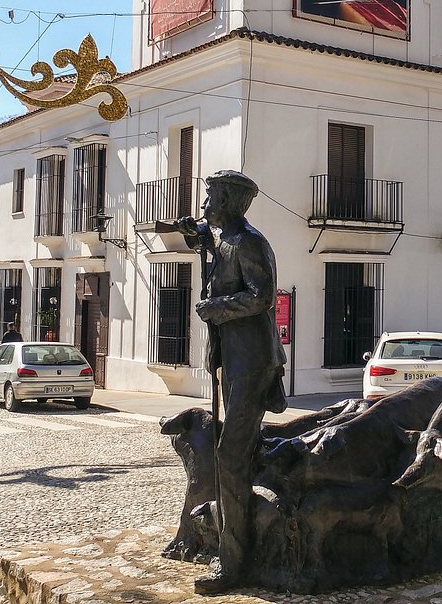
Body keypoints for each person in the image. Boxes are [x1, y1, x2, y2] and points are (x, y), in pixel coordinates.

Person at [175, 170, 286, 593]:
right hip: (232, 359)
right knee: (232, 456)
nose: (204, 205)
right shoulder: (222, 239)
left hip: (254, 363)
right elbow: (207, 241)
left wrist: (215, 308)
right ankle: (239, 543)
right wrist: (195, 235)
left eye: (210, 197)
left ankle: (235, 564)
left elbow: (261, 297)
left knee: (229, 458)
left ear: (229, 201)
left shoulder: (250, 243)